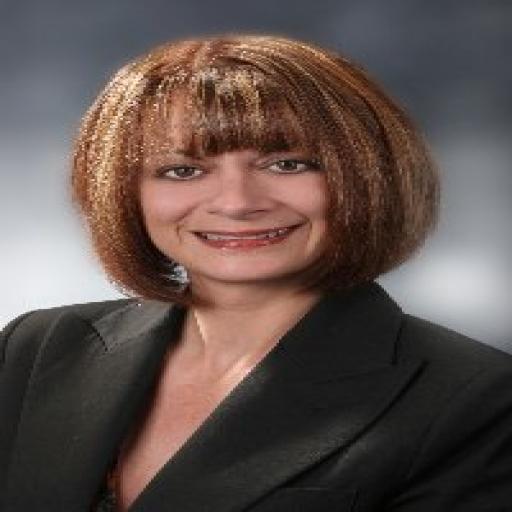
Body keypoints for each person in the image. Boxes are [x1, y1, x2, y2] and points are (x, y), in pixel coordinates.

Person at [1, 33, 511, 512]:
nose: (238, 203)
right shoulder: (37, 348)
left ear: (367, 176)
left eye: (287, 164)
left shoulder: (475, 398)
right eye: (183, 170)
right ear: (124, 194)